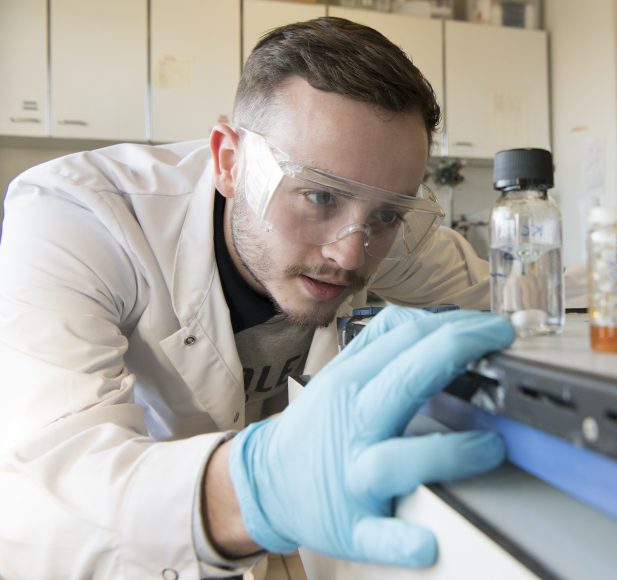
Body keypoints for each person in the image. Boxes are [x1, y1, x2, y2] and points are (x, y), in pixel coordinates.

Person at [0, 17, 517, 579]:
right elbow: (49, 479)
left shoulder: (381, 233)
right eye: (319, 197)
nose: (350, 254)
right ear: (229, 161)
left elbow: (522, 301)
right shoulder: (81, 215)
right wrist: (258, 489)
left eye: (388, 214)